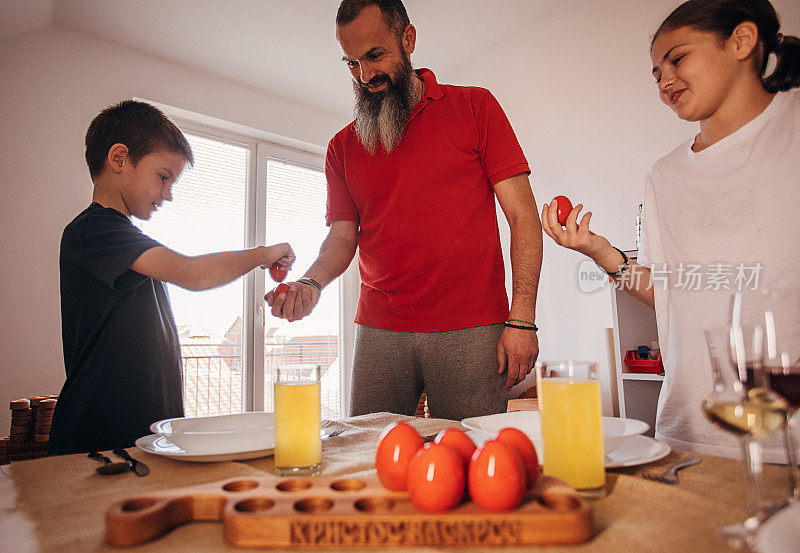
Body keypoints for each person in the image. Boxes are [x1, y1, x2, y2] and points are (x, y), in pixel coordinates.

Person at [541, 0, 800, 461]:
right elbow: (670, 292)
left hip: (788, 431)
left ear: (742, 41)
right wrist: (599, 251)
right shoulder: (665, 175)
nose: (664, 81)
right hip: (691, 429)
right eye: (657, 73)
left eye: (677, 58)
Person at [267, 0, 543, 420]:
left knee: (471, 458)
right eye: (352, 63)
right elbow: (342, 239)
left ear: (408, 39)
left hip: (472, 326)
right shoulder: (341, 147)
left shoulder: (475, 106)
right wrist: (311, 282)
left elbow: (523, 216)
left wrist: (522, 319)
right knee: (368, 455)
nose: (365, 76)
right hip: (379, 331)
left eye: (375, 56)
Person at [49, 100, 294, 454]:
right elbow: (193, 274)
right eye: (163, 177)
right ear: (119, 159)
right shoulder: (94, 230)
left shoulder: (123, 239)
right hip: (98, 434)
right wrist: (264, 253)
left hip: (138, 433)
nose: (168, 193)